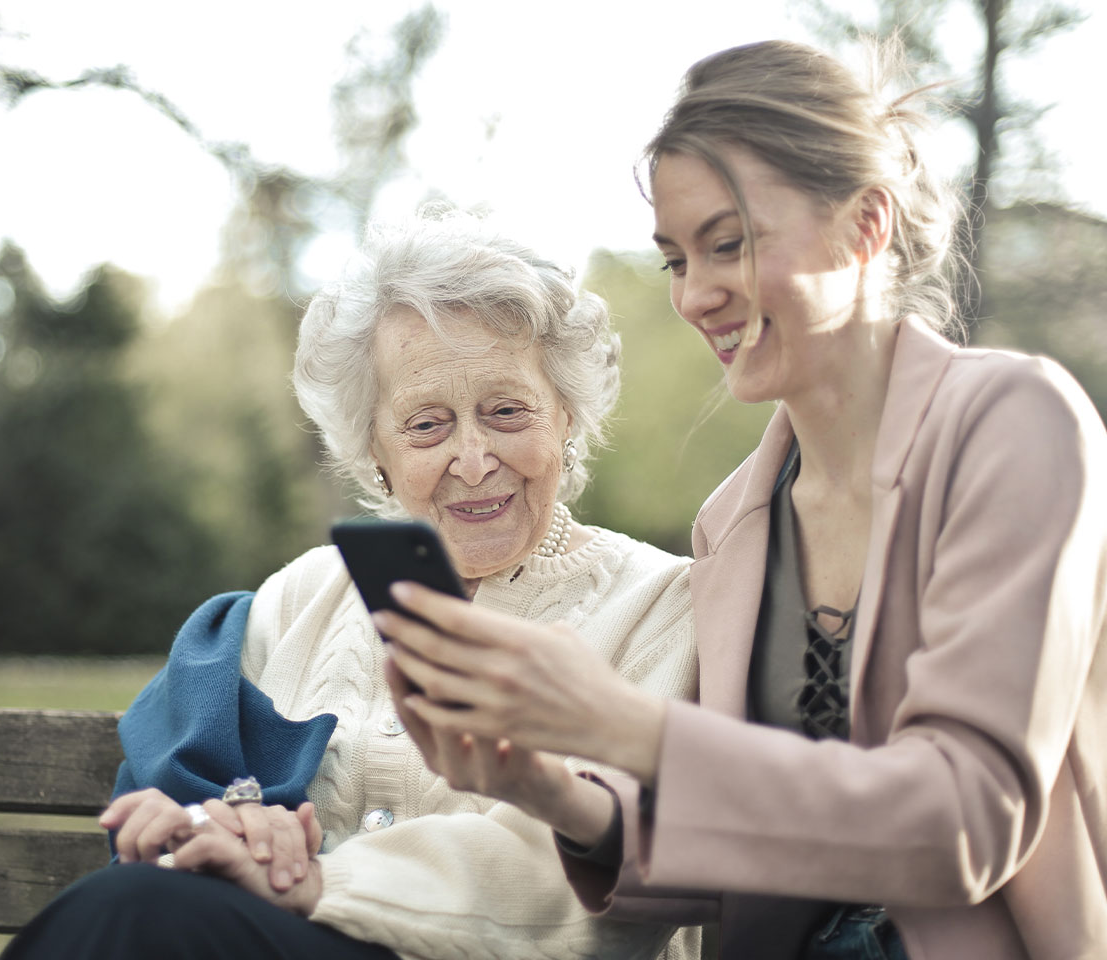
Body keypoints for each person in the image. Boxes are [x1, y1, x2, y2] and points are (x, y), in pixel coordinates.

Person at [377, 40, 1107, 959]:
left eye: (729, 245)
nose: (695, 296)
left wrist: (629, 725)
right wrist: (558, 792)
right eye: (675, 260)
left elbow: (966, 823)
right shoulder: (733, 522)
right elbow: (756, 851)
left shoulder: (1015, 422)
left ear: (866, 224)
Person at [0, 211, 702, 960]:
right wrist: (239, 827)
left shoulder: (662, 607)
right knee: (133, 907)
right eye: (427, 425)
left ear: (566, 415)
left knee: (128, 914)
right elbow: (205, 798)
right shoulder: (296, 600)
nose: (472, 458)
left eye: (506, 411)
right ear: (374, 449)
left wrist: (324, 883)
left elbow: (602, 884)